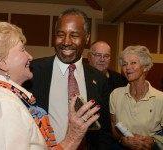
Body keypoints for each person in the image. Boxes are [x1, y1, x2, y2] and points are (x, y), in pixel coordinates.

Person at [0, 21, 99, 150]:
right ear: (1, 62)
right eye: (22, 50)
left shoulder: (5, 99)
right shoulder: (3, 106)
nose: (30, 56)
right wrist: (73, 137)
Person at [23, 8, 113, 149]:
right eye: (60, 34)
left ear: (87, 38)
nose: (66, 42)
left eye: (74, 35)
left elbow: (104, 133)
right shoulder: (32, 71)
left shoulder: (99, 79)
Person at [110, 45, 163, 150]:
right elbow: (114, 129)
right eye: (124, 64)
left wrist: (153, 141)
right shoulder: (115, 95)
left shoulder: (160, 98)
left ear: (145, 67)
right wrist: (122, 140)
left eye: (133, 63)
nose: (127, 67)